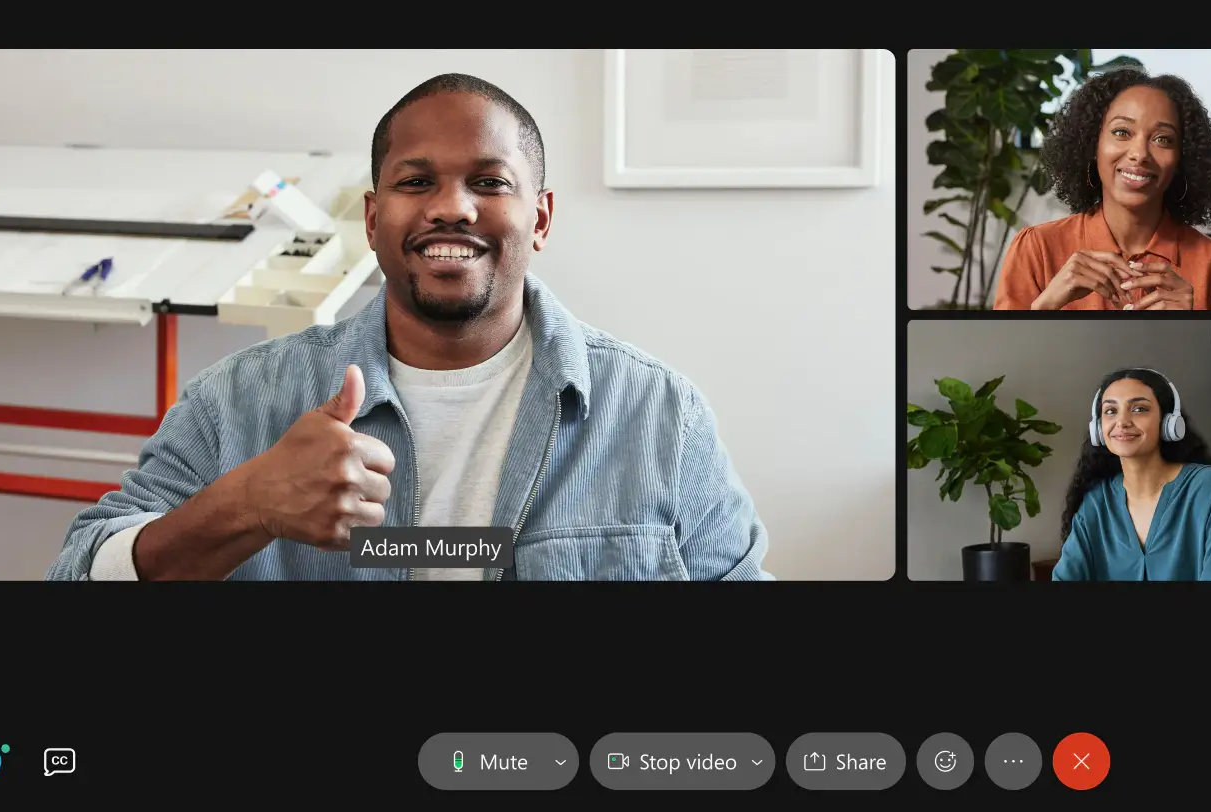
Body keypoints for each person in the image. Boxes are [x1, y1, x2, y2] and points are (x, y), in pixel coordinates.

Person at [47, 74, 771, 581]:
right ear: (372, 218)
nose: (451, 207)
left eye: (489, 182)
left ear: (541, 218)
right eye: (416, 181)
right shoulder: (233, 405)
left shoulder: (658, 416)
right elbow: (80, 575)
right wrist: (246, 504)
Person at [993, 68, 1211, 311]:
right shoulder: (1037, 250)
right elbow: (1003, 356)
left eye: (1162, 139)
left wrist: (1193, 328)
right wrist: (1045, 306)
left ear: (1183, 158)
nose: (1139, 154)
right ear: (1092, 144)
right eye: (1121, 132)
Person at [1053, 368, 1211, 581]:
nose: (1122, 421)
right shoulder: (1097, 502)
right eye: (1110, 411)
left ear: (1168, 422)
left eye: (1139, 409)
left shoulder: (1208, 487)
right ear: (1098, 429)